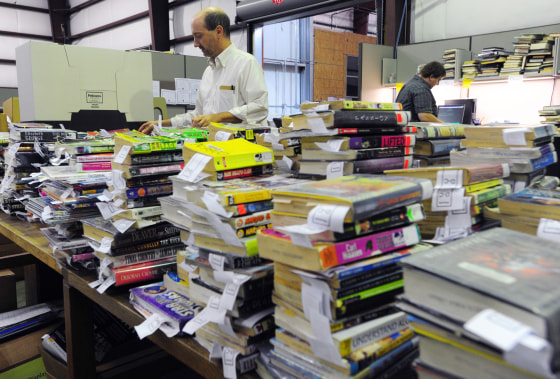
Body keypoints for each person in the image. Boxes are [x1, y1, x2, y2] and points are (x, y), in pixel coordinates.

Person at [139, 6, 268, 134]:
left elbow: (259, 107)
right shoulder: (208, 72)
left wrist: (217, 117)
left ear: (218, 32)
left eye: (198, 36)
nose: (195, 44)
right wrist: (161, 124)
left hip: (242, 148)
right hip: (213, 145)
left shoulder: (246, 63)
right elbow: (198, 115)